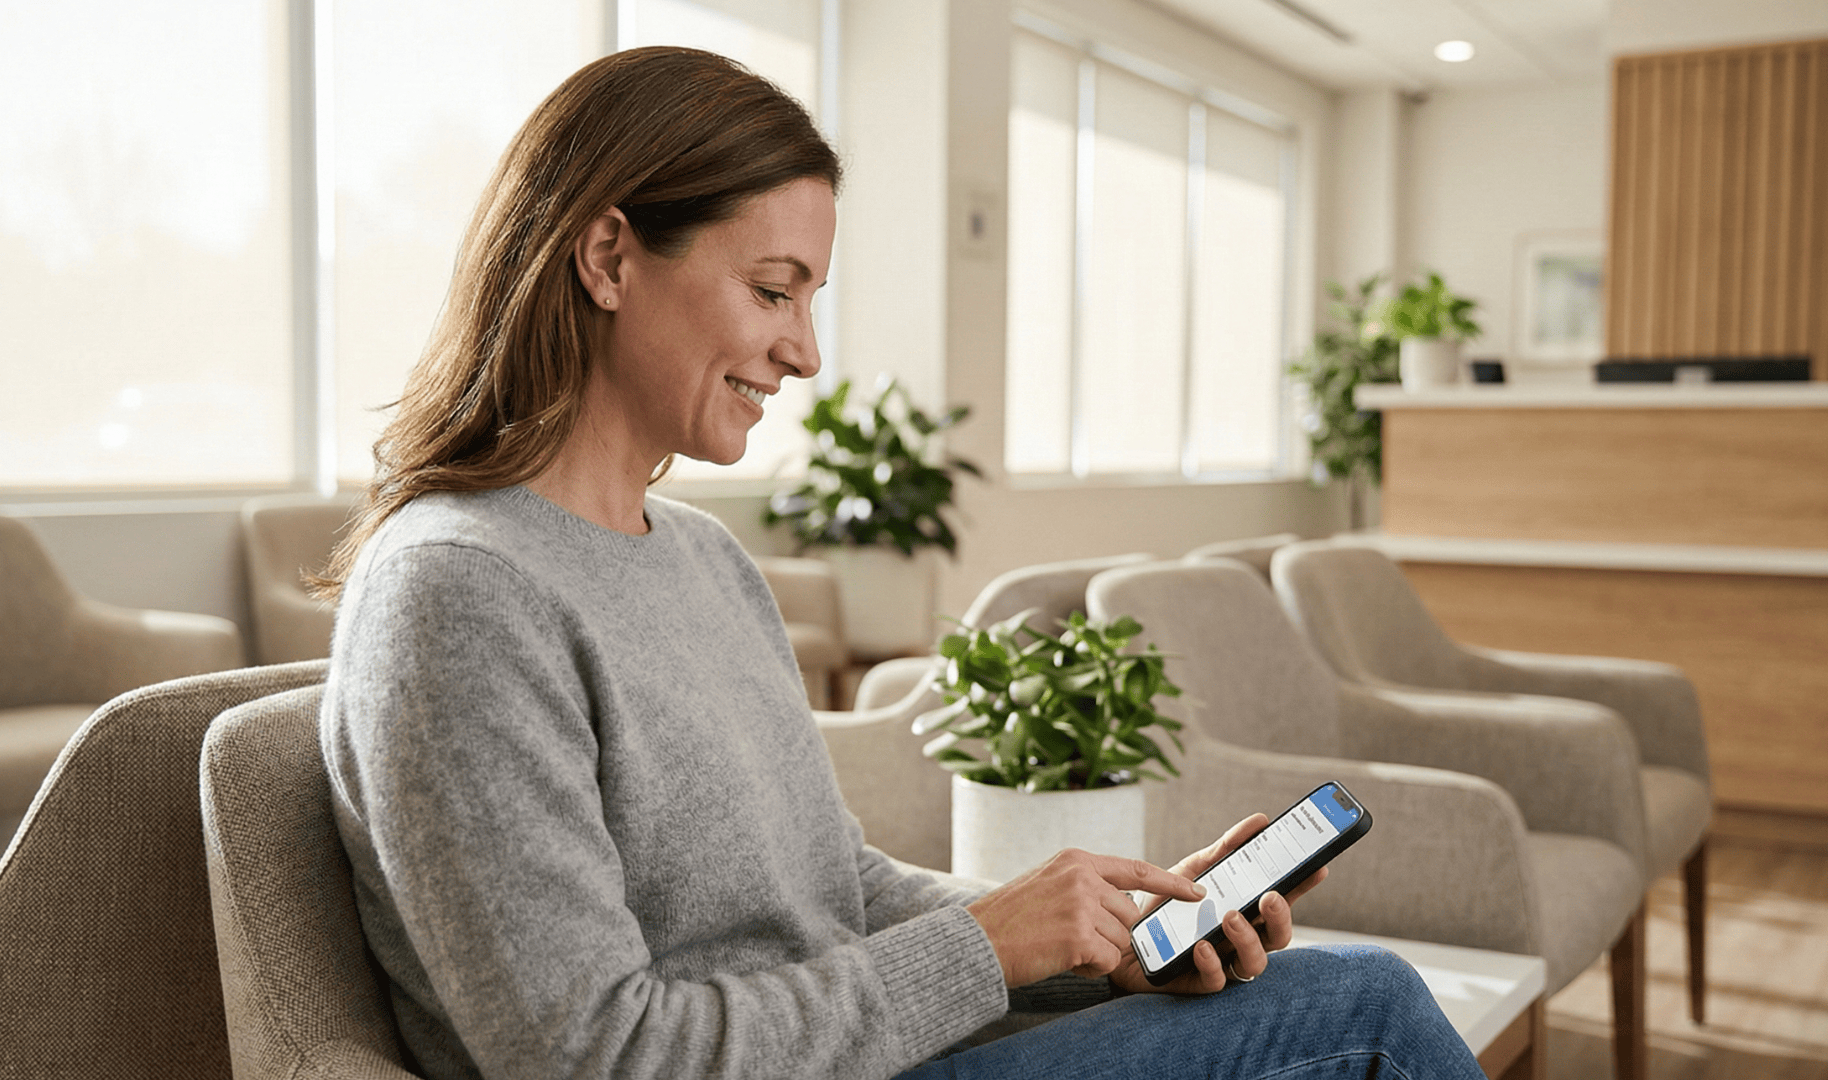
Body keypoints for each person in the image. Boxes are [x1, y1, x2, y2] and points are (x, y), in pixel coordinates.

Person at [316, 46, 1482, 1080]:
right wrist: (987, 946)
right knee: (1362, 1009)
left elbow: (838, 893)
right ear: (610, 256)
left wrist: (1096, 943)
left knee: (1308, 991)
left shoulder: (706, 560)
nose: (806, 351)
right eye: (773, 290)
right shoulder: (459, 591)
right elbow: (590, 1055)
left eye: (811, 299)